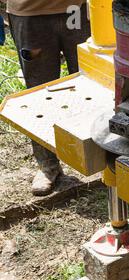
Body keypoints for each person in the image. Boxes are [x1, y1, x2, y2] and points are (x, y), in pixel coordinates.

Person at [3, 0, 90, 196]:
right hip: (30, 13)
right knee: (38, 92)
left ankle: (102, 159)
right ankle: (48, 167)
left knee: (91, 79)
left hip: (75, 8)